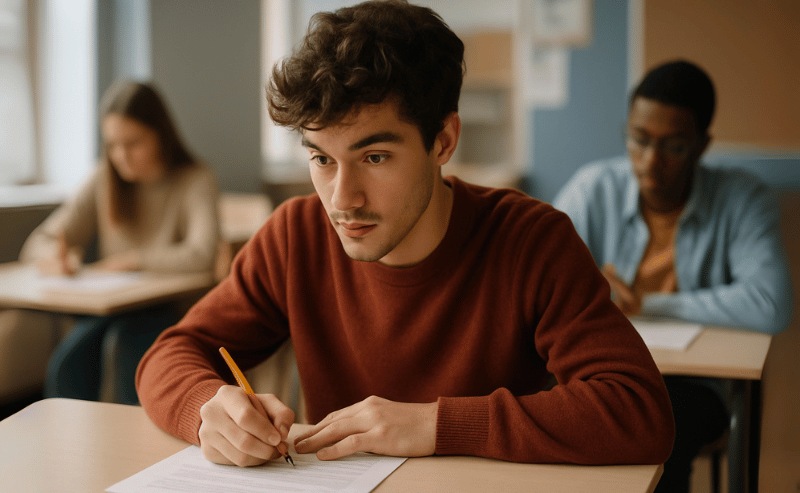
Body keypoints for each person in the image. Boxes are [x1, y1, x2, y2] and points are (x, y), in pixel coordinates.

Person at [137, 0, 674, 467]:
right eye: (322, 159)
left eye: (374, 156)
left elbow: (637, 410)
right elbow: (171, 353)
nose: (342, 199)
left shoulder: (531, 240)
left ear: (442, 141)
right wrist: (208, 412)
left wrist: (437, 426)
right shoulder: (295, 235)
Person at [553, 60, 793, 492]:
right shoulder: (592, 189)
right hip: (602, 371)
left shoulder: (742, 198)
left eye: (673, 147)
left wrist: (647, 305)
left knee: (663, 432)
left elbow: (771, 304)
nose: (649, 161)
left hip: (696, 385)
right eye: (638, 140)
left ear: (701, 145)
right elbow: (539, 280)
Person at [17, 80, 220, 405]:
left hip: (170, 311)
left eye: (133, 143)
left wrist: (136, 259)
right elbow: (41, 240)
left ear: (160, 134)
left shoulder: (194, 179)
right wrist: (58, 258)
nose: (121, 156)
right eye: (112, 145)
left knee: (125, 346)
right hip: (112, 309)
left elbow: (202, 255)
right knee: (68, 365)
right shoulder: (104, 178)